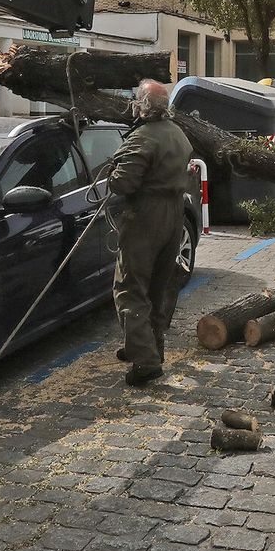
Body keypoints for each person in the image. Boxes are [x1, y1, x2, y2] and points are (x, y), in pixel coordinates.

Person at [106, 78, 193, 385]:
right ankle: (149, 347)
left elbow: (123, 183)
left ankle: (145, 362)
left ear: (142, 105)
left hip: (146, 216)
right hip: (173, 215)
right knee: (159, 285)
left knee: (131, 287)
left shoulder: (143, 138)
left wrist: (113, 171)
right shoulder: (177, 133)